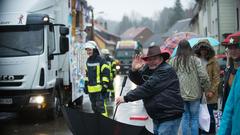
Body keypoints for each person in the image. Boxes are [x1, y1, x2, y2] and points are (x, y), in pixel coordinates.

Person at [116, 45, 184, 135]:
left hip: (169, 115)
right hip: (158, 115)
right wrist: (134, 70)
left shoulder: (165, 70)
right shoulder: (149, 70)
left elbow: (147, 88)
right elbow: (140, 81)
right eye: (149, 59)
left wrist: (126, 98)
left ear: (161, 59)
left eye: (154, 59)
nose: (151, 62)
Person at [170, 39, 210, 135]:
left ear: (178, 48)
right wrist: (206, 88)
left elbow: (170, 77)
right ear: (189, 48)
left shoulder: (173, 61)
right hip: (195, 95)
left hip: (180, 94)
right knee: (194, 118)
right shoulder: (195, 60)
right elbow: (203, 76)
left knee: (185, 117)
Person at [193, 40, 221, 134]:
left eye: (205, 49)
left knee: (210, 116)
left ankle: (211, 132)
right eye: (201, 49)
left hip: (210, 95)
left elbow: (216, 78)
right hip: (198, 93)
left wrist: (212, 91)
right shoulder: (195, 60)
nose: (203, 51)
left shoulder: (213, 61)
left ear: (208, 49)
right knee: (199, 115)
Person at [218, 37, 240, 135]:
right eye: (230, 48)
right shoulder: (228, 70)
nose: (233, 51)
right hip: (230, 111)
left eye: (236, 47)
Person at [84, 41, 110, 117]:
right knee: (94, 108)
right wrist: (85, 85)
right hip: (91, 90)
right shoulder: (88, 61)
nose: (88, 52)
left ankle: (105, 123)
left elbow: (106, 73)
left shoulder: (101, 60)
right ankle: (98, 123)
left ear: (94, 50)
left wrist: (104, 85)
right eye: (87, 50)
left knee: (101, 108)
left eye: (90, 50)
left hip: (99, 90)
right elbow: (87, 74)